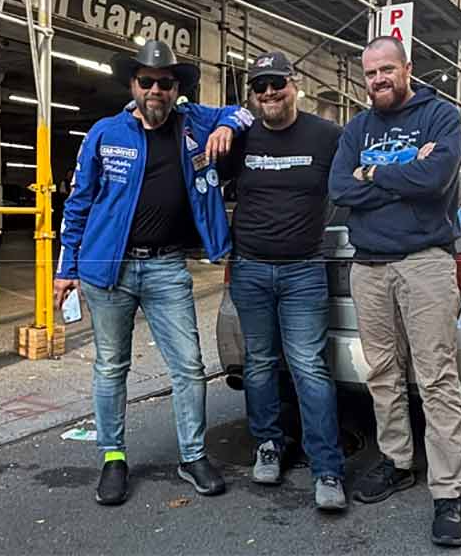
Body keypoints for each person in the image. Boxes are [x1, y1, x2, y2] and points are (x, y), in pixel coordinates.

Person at [53, 40, 252, 506]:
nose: (156, 90)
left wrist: (223, 126)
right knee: (111, 367)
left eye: (165, 82)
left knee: (188, 365)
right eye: (147, 82)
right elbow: (78, 203)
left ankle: (193, 455)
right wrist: (66, 267)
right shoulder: (104, 133)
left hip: (166, 266)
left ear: (176, 88)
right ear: (133, 85)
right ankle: (113, 458)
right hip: (109, 269)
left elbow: (243, 113)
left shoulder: (193, 122)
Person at [328, 36, 461, 547]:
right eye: (370, 73)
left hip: (425, 263)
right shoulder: (357, 128)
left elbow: (436, 179)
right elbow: (340, 189)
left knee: (436, 376)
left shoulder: (440, 116)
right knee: (382, 371)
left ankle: (448, 492)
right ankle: (397, 461)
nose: (378, 79)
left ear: (407, 68)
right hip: (368, 266)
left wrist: (374, 173)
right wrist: (397, 174)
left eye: (387, 69)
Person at [220, 52, 347, 511]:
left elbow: (365, 165)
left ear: (295, 85)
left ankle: (328, 468)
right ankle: (267, 445)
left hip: (304, 272)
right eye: (260, 87)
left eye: (277, 83)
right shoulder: (240, 137)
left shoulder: (327, 135)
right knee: (257, 364)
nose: (269, 92)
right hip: (250, 269)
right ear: (251, 95)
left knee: (309, 367)